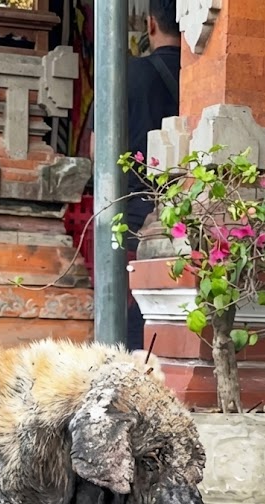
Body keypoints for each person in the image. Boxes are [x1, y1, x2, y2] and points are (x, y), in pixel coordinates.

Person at [90, 1, 181, 349]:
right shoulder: (205, 76)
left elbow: (97, 153)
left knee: (129, 329)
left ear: (150, 24)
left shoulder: (123, 75)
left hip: (131, 223)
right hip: (189, 219)